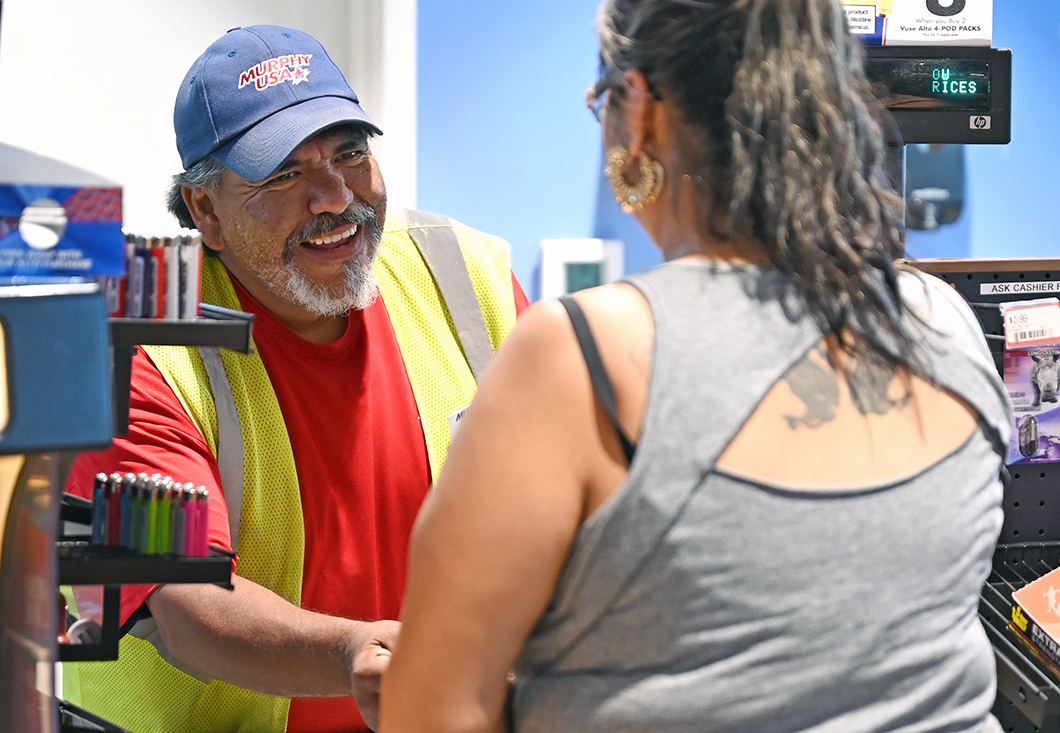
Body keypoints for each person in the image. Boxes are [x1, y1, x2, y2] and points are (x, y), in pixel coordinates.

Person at [379, 0, 1013, 731]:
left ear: (641, 107)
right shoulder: (944, 323)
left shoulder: (582, 357)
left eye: (604, 102)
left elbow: (431, 710)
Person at [62, 24, 529, 733]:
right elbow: (191, 608)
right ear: (206, 211)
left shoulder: (467, 275)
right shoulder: (134, 344)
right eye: (284, 173)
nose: (334, 196)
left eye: (350, 151)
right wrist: (354, 654)